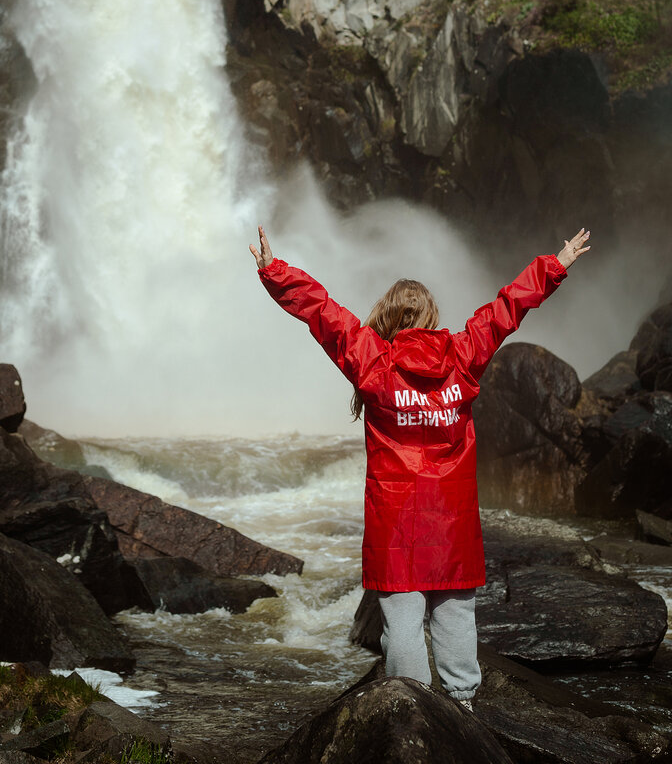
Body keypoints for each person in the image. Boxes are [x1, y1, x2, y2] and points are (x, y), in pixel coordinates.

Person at [250, 224, 591, 709]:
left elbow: (323, 313)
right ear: (431, 317)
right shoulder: (462, 355)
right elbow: (506, 310)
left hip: (396, 518)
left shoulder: (373, 361)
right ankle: (462, 706)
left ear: (387, 318)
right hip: (451, 517)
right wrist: (553, 265)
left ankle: (412, 710)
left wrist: (273, 271)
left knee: (403, 622)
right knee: (455, 614)